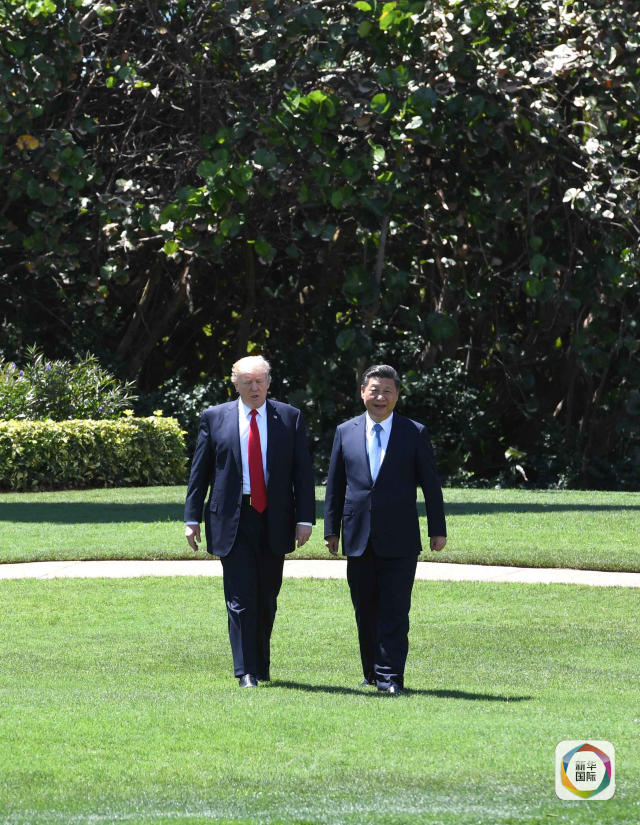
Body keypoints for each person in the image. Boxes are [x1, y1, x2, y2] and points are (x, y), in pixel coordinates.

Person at [184, 355, 315, 688]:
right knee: (240, 597)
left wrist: (305, 519)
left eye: (259, 381)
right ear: (236, 385)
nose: (254, 388)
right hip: (232, 517)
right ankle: (245, 671)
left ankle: (260, 665)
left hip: (275, 517)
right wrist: (191, 518)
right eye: (247, 382)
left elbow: (302, 472)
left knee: (266, 597)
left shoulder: (290, 417)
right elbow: (200, 472)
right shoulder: (214, 417)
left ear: (268, 383)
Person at [324, 364, 447, 696]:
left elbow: (431, 485)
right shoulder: (345, 431)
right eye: (374, 390)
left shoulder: (414, 432)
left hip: (400, 537)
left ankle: (391, 677)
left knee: (395, 610)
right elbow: (335, 484)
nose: (380, 397)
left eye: (387, 391)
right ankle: (371, 673)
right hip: (357, 537)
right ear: (362, 392)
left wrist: (437, 529)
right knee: (365, 609)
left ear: (397, 395)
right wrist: (331, 530)